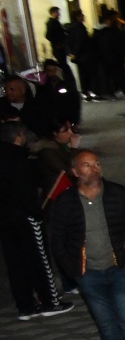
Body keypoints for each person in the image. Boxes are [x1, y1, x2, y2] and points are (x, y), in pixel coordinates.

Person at [47, 150, 125, 340]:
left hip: (120, 269)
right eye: (87, 165)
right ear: (75, 171)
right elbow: (57, 241)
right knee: (107, 326)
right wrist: (75, 272)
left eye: (97, 164)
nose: (94, 169)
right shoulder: (66, 202)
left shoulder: (117, 193)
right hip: (89, 274)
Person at [0, 122, 72, 321]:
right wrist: (37, 214)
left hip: (5, 220)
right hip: (25, 217)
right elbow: (26, 192)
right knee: (39, 259)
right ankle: (50, 301)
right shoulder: (19, 159)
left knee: (15, 263)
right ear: (18, 136)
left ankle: (26, 306)